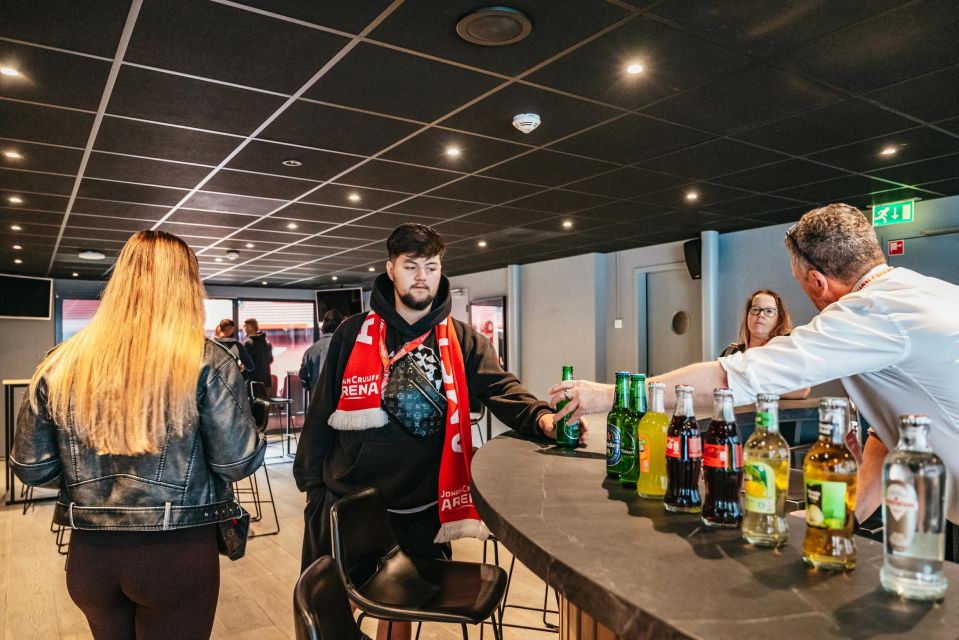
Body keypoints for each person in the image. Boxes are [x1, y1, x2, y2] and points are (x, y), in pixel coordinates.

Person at [551, 203, 959, 554]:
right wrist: (839, 520)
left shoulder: (870, 311)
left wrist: (606, 395)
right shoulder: (926, 293)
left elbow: (728, 379)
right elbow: (886, 437)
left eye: (803, 285)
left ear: (817, 280)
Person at [294, 223, 587, 640]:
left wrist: (543, 419)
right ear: (390, 269)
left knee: (401, 605)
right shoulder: (353, 333)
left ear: (440, 270)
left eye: (430, 267)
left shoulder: (464, 340)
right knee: (334, 608)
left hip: (420, 503)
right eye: (410, 266)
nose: (421, 276)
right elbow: (322, 411)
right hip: (349, 499)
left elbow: (501, 388)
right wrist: (311, 487)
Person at [11, 230, 266, 640]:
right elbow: (236, 462)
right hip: (176, 555)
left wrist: (87, 481)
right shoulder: (205, 361)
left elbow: (30, 467)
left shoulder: (62, 361)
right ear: (186, 286)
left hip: (90, 558)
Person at [720, 290, 809, 399]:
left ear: (778, 318)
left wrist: (743, 388)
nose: (761, 315)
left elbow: (802, 390)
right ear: (747, 315)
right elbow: (717, 388)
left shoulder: (786, 350)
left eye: (769, 311)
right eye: (756, 309)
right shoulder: (730, 352)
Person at [299, 309, 345, 392]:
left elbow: (304, 380)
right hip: (340, 402)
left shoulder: (309, 352)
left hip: (317, 403)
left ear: (322, 328)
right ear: (341, 328)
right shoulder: (346, 348)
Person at [243, 317, 274, 394]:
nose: (244, 329)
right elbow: (270, 360)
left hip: (253, 383)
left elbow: (248, 365)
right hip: (265, 382)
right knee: (262, 405)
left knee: (253, 405)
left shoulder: (249, 343)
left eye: (245, 326)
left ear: (250, 327)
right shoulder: (267, 342)